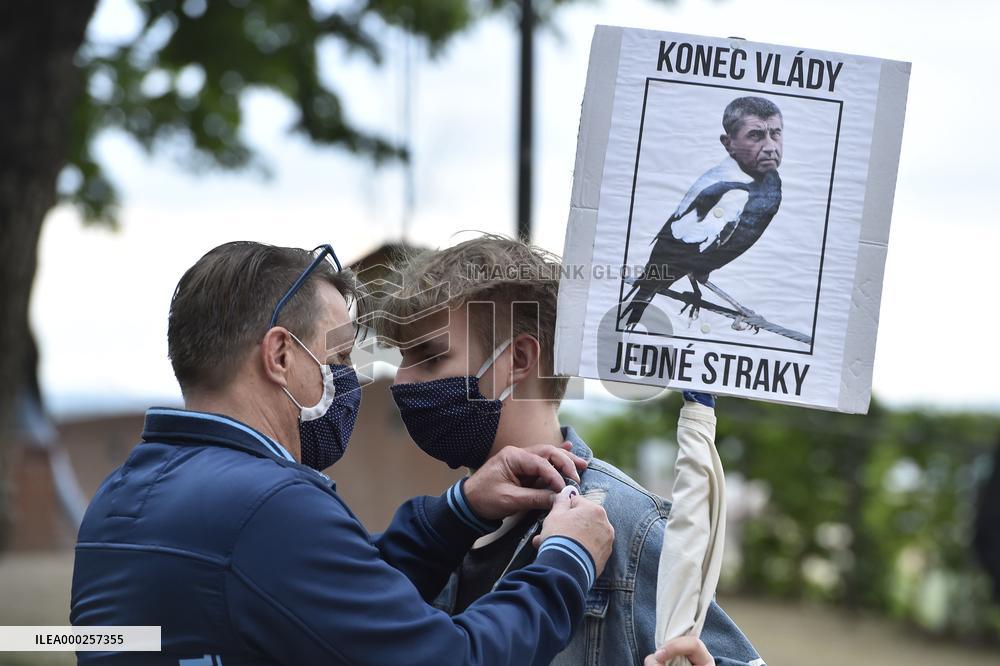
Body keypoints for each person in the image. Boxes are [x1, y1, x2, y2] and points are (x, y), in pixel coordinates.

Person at [70, 241, 617, 665]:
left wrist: (457, 512)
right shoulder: (269, 508)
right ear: (281, 354)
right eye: (338, 356)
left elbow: (316, 598)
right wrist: (566, 564)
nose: (354, 380)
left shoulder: (116, 502)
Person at [376, 235, 766, 665]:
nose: (400, 381)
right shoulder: (442, 530)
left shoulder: (627, 525)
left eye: (429, 357)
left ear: (519, 359)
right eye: (402, 357)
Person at [619, 96, 784, 332]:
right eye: (756, 135)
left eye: (775, 134)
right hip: (678, 255)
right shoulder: (735, 193)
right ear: (730, 144)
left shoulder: (743, 181)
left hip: (684, 254)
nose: (770, 146)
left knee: (693, 274)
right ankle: (740, 309)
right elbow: (687, 250)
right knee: (690, 276)